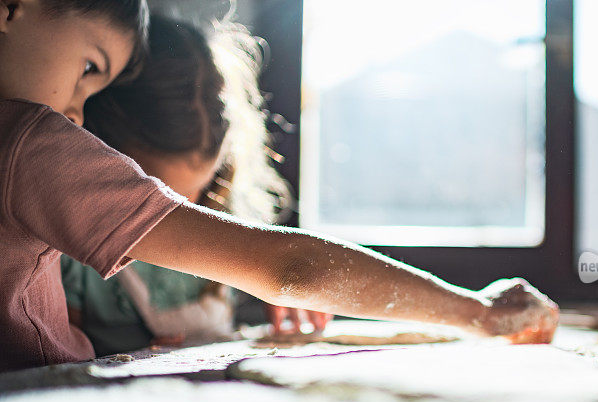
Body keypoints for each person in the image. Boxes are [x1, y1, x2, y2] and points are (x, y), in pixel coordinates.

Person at [0, 0, 559, 373]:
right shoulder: (31, 146)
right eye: (89, 67)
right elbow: (289, 267)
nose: (77, 113)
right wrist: (474, 309)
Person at [61, 14, 330, 355]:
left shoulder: (225, 207)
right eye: (163, 193)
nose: (188, 207)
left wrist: (275, 292)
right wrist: (137, 352)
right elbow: (60, 354)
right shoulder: (68, 251)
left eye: (201, 190)